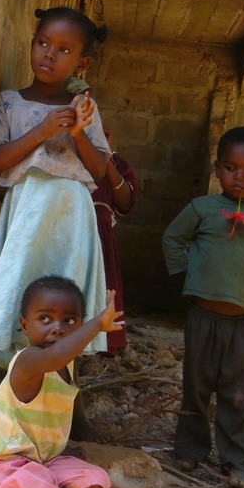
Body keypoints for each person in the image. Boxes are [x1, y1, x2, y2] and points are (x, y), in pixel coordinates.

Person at [0, 6, 111, 367]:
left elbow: (101, 170)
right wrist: (42, 131)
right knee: (23, 291)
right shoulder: (11, 102)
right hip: (26, 215)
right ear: (31, 45)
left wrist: (77, 133)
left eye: (64, 49)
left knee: (65, 302)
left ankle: (67, 404)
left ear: (82, 62)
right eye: (43, 43)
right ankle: (14, 397)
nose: (49, 53)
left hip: (71, 217)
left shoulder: (84, 109)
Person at [162, 126, 244, 488]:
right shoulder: (202, 208)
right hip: (203, 317)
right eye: (230, 167)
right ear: (217, 169)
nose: (239, 176)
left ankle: (238, 464)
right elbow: (173, 239)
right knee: (196, 385)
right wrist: (190, 273)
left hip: (243, 323)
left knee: (239, 393)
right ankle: (189, 450)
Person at [0, 276, 122, 488]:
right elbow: (55, 356)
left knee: (96, 486)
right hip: (6, 462)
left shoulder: (67, 364)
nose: (58, 329)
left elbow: (53, 408)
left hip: (42, 460)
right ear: (25, 326)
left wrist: (60, 447)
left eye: (70, 321)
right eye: (45, 319)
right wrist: (97, 324)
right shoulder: (29, 361)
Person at [92, 128, 138, 353]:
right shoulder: (63, 157)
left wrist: (105, 156)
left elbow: (126, 202)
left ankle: (100, 344)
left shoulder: (117, 164)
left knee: (100, 291)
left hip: (99, 238)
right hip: (67, 229)